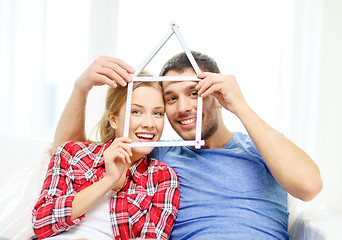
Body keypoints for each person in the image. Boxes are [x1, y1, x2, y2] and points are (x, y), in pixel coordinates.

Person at [51, 53, 323, 240]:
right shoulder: (159, 155)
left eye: (194, 93)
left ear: (218, 95)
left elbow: (309, 186)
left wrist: (239, 106)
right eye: (171, 98)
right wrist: (81, 87)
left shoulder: (262, 148)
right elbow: (71, 156)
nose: (183, 108)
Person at [31, 70, 180, 240]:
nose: (149, 124)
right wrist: (108, 181)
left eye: (158, 113)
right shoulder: (71, 153)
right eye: (136, 112)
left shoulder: (163, 177)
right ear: (113, 119)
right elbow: (40, 224)